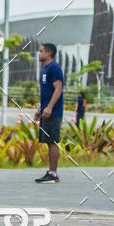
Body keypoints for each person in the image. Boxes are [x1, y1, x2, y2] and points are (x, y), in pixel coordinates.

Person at [34, 43, 63, 183]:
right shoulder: (45, 69)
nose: (39, 54)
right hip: (46, 112)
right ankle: (51, 171)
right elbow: (46, 93)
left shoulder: (54, 67)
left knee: (52, 142)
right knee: (49, 142)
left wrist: (50, 107)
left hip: (53, 112)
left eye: (41, 51)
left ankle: (53, 174)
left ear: (49, 53)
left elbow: (58, 88)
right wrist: (40, 110)